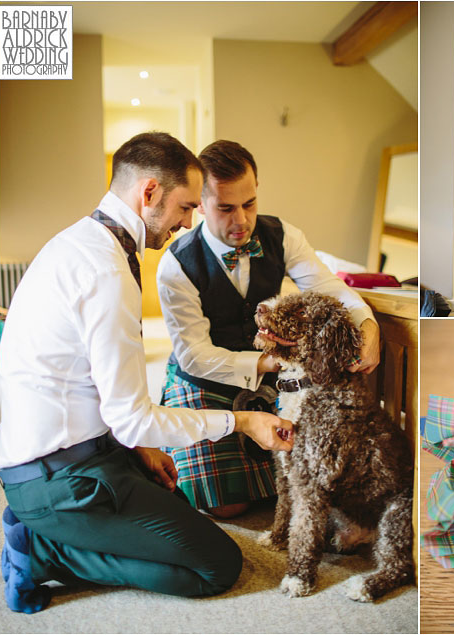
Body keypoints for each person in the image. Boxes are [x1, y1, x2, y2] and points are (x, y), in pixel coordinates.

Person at [0, 132, 295, 614]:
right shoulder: (106, 272)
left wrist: (142, 447)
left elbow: (105, 394)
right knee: (216, 564)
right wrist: (242, 423)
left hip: (80, 450)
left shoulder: (82, 241)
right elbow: (133, 416)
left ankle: (57, 530)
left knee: (171, 498)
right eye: (185, 207)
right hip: (60, 476)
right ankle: (43, 550)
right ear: (149, 192)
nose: (187, 222)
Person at [156, 140, 379, 518]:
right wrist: (270, 363)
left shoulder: (283, 235)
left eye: (250, 204)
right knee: (227, 505)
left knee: (316, 476)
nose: (241, 221)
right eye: (225, 208)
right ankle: (171, 449)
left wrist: (368, 326)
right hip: (203, 378)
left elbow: (332, 289)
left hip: (271, 378)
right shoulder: (176, 265)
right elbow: (195, 355)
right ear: (200, 204)